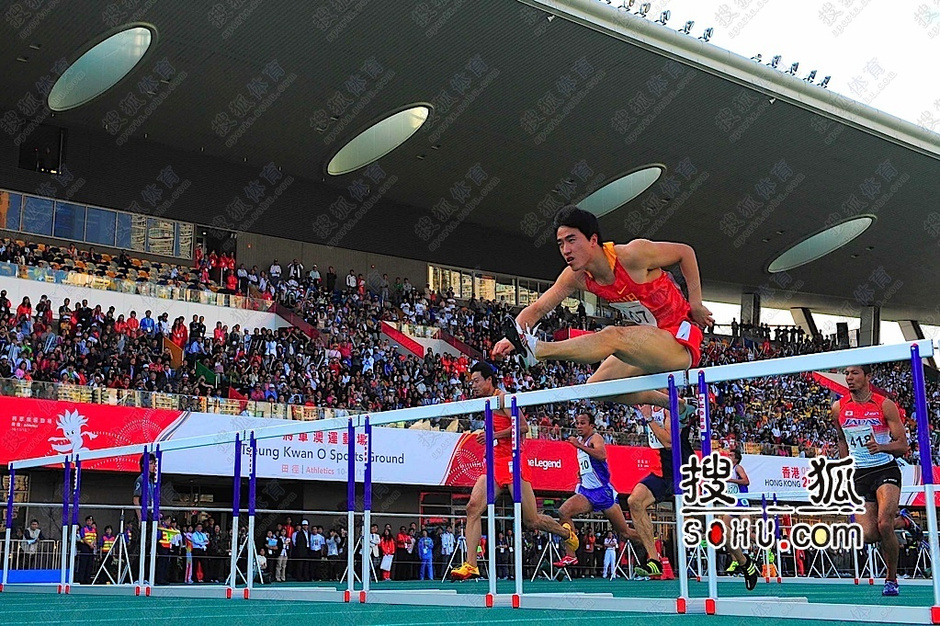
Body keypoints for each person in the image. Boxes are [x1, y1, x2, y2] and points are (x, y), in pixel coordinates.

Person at [494, 205, 711, 417]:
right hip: (649, 341)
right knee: (597, 388)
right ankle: (676, 405)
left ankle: (539, 350)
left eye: (571, 240)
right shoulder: (575, 276)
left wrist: (696, 304)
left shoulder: (633, 255)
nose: (566, 250)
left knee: (612, 335)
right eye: (560, 244)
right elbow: (537, 308)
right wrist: (511, 338)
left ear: (593, 240)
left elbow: (685, 252)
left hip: (680, 340)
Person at [450, 362, 578, 581]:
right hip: (492, 464)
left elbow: (524, 427)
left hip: (513, 463)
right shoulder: (487, 402)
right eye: (471, 382)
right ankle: (471, 564)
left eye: (476, 381)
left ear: (489, 380)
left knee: (531, 520)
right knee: (472, 508)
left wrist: (494, 436)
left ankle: (567, 534)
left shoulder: (503, 399)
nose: (473, 385)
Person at [831, 364, 920, 597]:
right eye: (847, 374)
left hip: (884, 468)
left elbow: (903, 446)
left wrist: (881, 447)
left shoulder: (884, 405)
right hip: (860, 473)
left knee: (883, 524)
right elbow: (841, 440)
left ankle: (891, 579)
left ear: (868, 377)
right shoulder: (838, 407)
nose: (849, 378)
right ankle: (905, 522)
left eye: (855, 373)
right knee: (869, 534)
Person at [553, 413, 640, 570]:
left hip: (603, 493)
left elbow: (602, 455)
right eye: (577, 423)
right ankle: (571, 556)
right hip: (587, 492)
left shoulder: (595, 438)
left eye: (583, 423)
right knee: (563, 512)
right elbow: (589, 464)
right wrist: (582, 473)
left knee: (625, 532)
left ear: (591, 425)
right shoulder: (579, 441)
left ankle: (651, 546)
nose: (578, 426)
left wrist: (578, 446)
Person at [626, 402, 699, 580]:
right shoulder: (646, 401)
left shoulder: (672, 406)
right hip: (661, 471)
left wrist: (649, 418)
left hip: (681, 469)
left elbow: (668, 442)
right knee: (634, 501)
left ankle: (741, 559)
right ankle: (654, 559)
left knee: (693, 520)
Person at [720, 448, 760, 590]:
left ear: (736, 458)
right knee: (725, 532)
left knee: (746, 532)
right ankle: (736, 561)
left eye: (731, 455)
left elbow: (746, 481)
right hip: (730, 503)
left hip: (741, 501)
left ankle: (766, 545)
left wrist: (731, 479)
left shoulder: (737, 468)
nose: (728, 457)